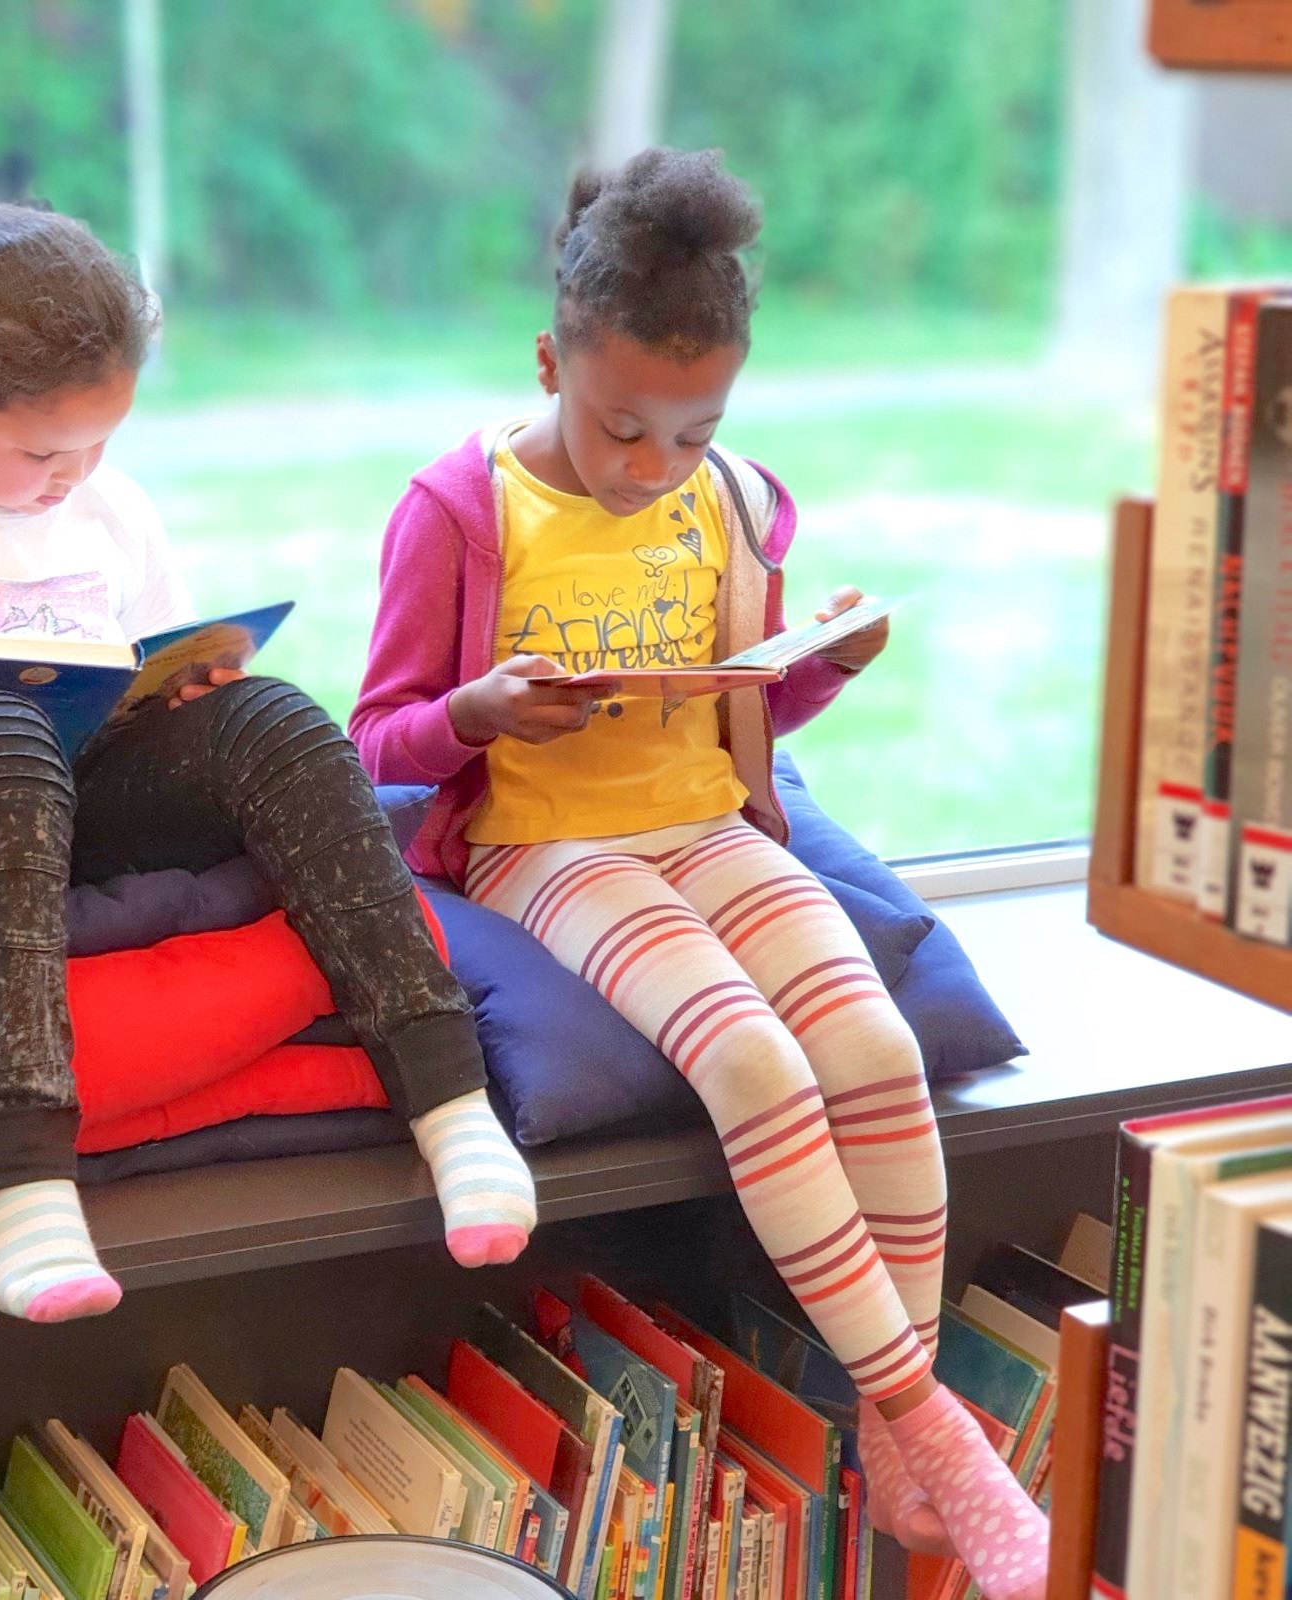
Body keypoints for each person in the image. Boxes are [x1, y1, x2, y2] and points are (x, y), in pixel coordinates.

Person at [351, 148, 1047, 1600]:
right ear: (550, 360)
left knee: (870, 1048)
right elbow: (374, 742)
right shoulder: (459, 506)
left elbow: (748, 709)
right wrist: (477, 713)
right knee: (758, 1066)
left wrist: (824, 668)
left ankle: (889, 1438)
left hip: (713, 823)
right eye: (621, 430)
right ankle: (927, 1423)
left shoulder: (735, 499)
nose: (654, 465)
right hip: (550, 840)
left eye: (692, 430)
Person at [0, 198, 535, 1326]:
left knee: (274, 716)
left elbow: (146, 673)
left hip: (72, 814)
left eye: (102, 443)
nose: (77, 473)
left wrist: (191, 693)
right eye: (44, 450)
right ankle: (18, 1175)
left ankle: (449, 1098)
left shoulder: (109, 510)